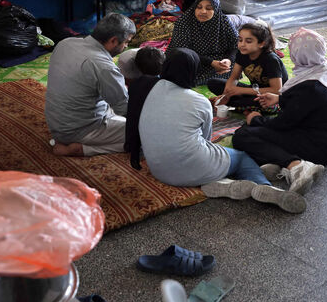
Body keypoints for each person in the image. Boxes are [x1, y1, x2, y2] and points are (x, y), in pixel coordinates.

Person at [124, 48, 306, 213]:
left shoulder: (147, 88)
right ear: (192, 71)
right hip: (192, 166)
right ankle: (263, 186)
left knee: (209, 156)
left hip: (158, 169)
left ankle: (221, 183)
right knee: (242, 158)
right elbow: (206, 139)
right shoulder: (198, 100)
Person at [232, 28, 327, 195]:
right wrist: (280, 99)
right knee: (259, 134)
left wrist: (256, 119)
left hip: (318, 148)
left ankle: (297, 166)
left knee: (243, 135)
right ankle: (280, 163)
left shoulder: (310, 86)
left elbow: (283, 123)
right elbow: (311, 105)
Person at [45, 13, 136, 157]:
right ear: (113, 40)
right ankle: (81, 149)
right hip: (82, 130)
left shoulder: (65, 43)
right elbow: (125, 109)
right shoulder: (105, 67)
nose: (126, 46)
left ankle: (69, 140)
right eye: (126, 42)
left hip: (56, 125)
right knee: (147, 134)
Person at [207, 21, 287, 110]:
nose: (242, 44)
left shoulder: (271, 59)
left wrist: (240, 91)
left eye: (248, 41)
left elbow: (277, 90)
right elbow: (234, 78)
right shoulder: (242, 54)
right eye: (240, 40)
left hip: (272, 96)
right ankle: (232, 103)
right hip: (254, 90)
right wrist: (225, 95)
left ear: (261, 44)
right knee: (213, 83)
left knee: (259, 103)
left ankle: (234, 104)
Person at [166, 0, 237, 86]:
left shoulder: (224, 22)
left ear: (216, 10)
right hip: (191, 60)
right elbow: (183, 51)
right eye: (199, 7)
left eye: (208, 8)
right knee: (182, 71)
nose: (203, 11)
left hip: (217, 60)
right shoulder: (183, 23)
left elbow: (236, 45)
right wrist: (211, 63)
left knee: (236, 66)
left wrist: (228, 61)